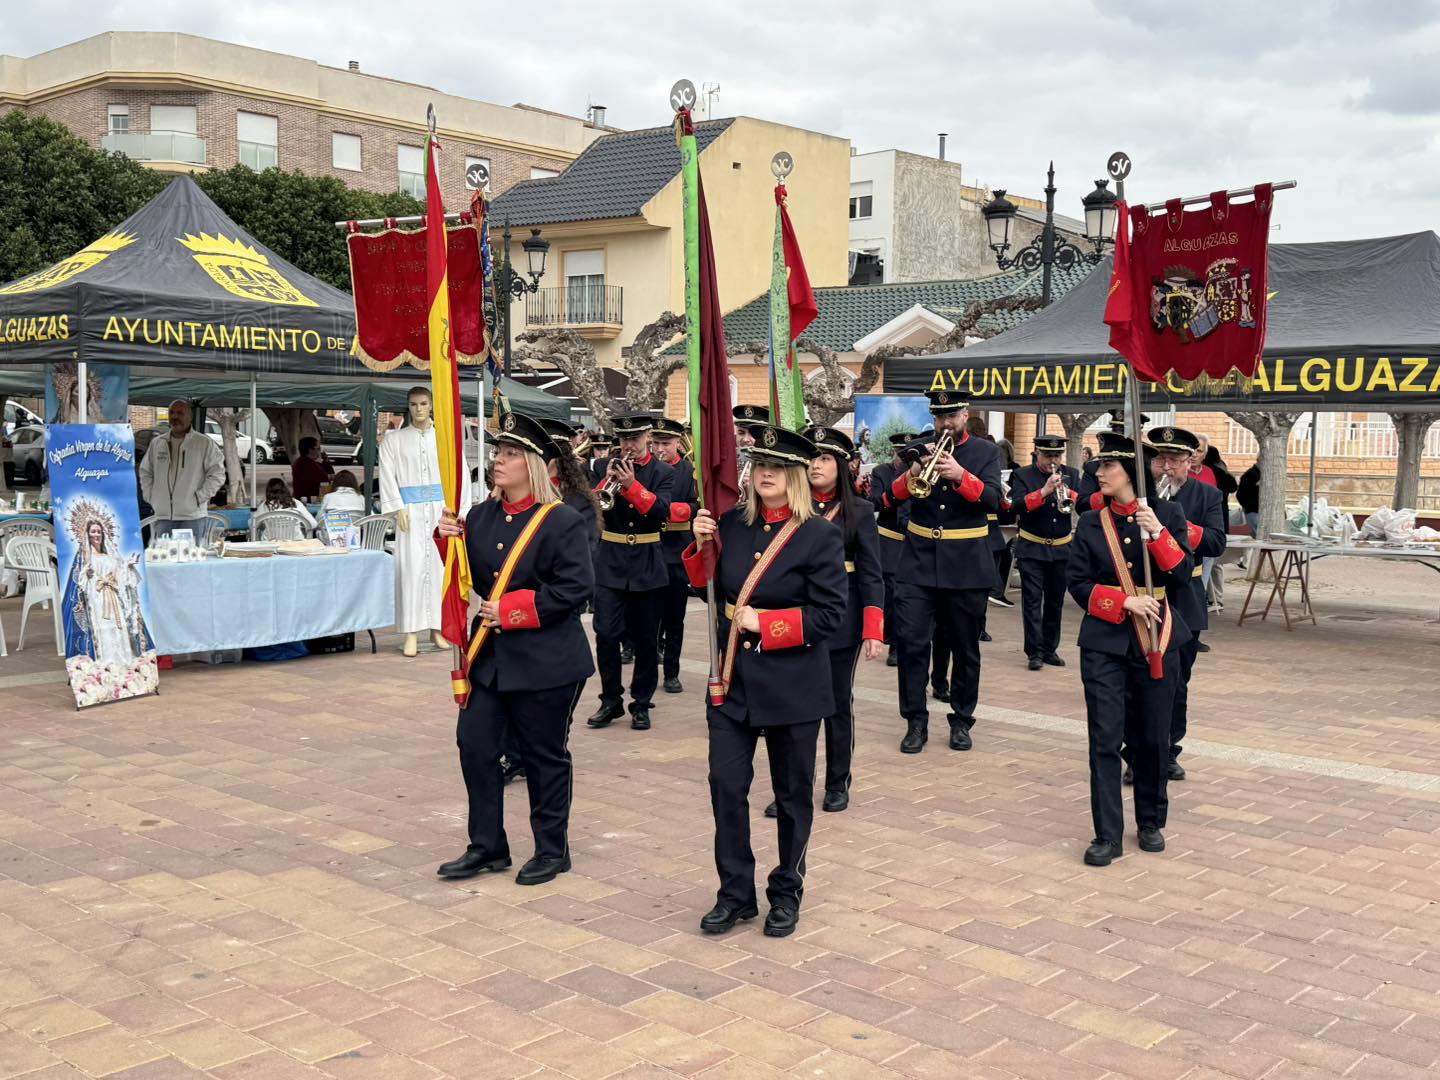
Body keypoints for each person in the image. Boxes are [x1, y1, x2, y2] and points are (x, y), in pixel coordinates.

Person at [684, 424, 846, 938]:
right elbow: (707, 590)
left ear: (797, 476)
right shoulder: (732, 524)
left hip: (793, 685)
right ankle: (735, 893)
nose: (765, 474)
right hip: (732, 680)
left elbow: (831, 614)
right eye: (759, 466)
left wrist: (768, 623)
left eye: (777, 467)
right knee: (726, 787)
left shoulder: (819, 534)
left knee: (793, 795)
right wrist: (700, 545)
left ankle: (786, 891)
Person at [433, 413, 595, 886]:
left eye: (509, 454)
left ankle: (552, 850)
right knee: (475, 746)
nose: (497, 461)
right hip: (491, 660)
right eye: (497, 453)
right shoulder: (480, 516)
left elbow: (576, 588)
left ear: (533, 465)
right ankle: (487, 846)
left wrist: (514, 610)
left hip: (548, 660)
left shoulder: (561, 520)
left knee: (544, 756)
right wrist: (445, 540)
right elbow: (464, 575)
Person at [1067, 431, 1193, 866]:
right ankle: (1107, 834)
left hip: (1157, 639)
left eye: (1109, 466)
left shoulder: (1167, 514)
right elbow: (1077, 583)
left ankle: (1151, 820)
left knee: (1153, 738)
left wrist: (1157, 533)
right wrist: (1122, 601)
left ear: (1131, 473)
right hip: (1104, 643)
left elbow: (1182, 576)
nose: (1099, 473)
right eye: (1100, 466)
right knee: (1104, 738)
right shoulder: (1091, 522)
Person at [762, 427, 883, 818]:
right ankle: (792, 788)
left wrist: (873, 628)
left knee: (835, 703)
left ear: (842, 466)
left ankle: (837, 782)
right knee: (792, 706)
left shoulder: (858, 510)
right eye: (812, 457)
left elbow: (872, 573)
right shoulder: (790, 505)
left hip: (840, 620)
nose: (816, 465)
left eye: (826, 458)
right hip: (795, 616)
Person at [883, 392, 1003, 754]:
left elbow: (995, 501)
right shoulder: (917, 449)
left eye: (951, 416)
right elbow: (888, 500)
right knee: (912, 645)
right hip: (918, 563)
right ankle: (915, 721)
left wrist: (961, 476)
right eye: (939, 417)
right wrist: (913, 472)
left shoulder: (985, 452)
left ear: (965, 414)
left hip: (966, 565)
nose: (945, 424)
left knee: (965, 648)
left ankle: (962, 720)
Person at [586, 413, 677, 732]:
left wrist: (631, 486)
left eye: (635, 438)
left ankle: (641, 703)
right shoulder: (601, 466)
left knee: (646, 638)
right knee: (606, 634)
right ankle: (610, 699)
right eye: (624, 439)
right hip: (610, 561)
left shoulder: (664, 472)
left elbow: (661, 513)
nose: (629, 445)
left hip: (647, 562)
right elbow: (593, 507)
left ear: (647, 437)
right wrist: (608, 481)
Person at [1148, 426, 1226, 780]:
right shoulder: (1138, 493)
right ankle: (1138, 752)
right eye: (1161, 459)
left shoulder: (1207, 494)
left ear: (1190, 463)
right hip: (1145, 593)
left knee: (1177, 681)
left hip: (1186, 596)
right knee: (1139, 678)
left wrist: (1177, 525)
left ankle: (1168, 750)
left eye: (1175, 460)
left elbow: (1216, 543)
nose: (1166, 467)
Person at [379, 388, 468, 656]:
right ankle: (411, 631)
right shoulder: (394, 440)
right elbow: (387, 474)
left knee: (438, 570)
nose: (418, 409)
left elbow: (460, 472)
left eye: (423, 404)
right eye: (413, 404)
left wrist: (459, 509)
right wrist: (397, 507)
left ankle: (437, 628)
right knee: (411, 569)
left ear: (431, 406)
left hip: (440, 512)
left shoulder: (445, 439)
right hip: (411, 513)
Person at [1008, 435, 1080, 671]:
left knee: (1055, 602)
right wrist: (1044, 491)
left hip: (1061, 548)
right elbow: (1015, 506)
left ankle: (1050, 649)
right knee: (1032, 602)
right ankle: (1034, 652)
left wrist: (1070, 495)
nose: (1053, 461)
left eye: (1057, 456)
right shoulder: (1022, 475)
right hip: (1032, 548)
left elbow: (1084, 503)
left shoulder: (1071, 474)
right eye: (1048, 455)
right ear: (1037, 453)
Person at [62, 509, 151, 663]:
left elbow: (120, 576)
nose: (96, 535)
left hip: (113, 596)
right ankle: (106, 661)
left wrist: (128, 566)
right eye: (93, 532)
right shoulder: (85, 557)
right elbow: (79, 581)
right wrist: (87, 574)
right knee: (101, 628)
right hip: (96, 598)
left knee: (118, 626)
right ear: (87, 534)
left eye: (99, 532)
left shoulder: (109, 556)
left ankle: (122, 660)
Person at [652, 417, 698, 695]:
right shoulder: (647, 469)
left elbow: (696, 506)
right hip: (649, 551)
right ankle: (647, 671)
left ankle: (671, 672)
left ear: (678, 443)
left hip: (676, 552)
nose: (660, 449)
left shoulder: (689, 470)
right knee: (648, 618)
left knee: (674, 619)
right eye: (656, 443)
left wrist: (661, 508)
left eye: (666, 443)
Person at [138, 400, 224, 537]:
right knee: (163, 552)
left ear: (190, 417)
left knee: (192, 552)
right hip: (163, 516)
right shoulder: (157, 443)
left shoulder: (203, 443)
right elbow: (145, 471)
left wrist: (199, 498)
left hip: (193, 517)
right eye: (171, 413)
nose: (174, 416)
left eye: (180, 413)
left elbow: (217, 474)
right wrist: (151, 496)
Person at [868, 431, 912, 667]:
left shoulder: (923, 472)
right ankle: (894, 645)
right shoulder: (882, 472)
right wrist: (899, 490)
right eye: (900, 453)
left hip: (916, 541)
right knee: (893, 597)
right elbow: (875, 502)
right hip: (890, 540)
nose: (903, 458)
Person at [291, 436, 335, 501]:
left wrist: (325, 461)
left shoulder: (310, 463)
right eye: (318, 448)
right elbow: (324, 479)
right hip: (309, 501)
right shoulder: (305, 464)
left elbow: (329, 473)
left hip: (312, 499)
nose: (319, 451)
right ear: (310, 450)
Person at [1238, 463, 1261, 537]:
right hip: (1253, 510)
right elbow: (1240, 495)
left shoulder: (1256, 474)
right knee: (1259, 535)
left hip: (1254, 510)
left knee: (1258, 535)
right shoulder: (1250, 475)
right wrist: (1248, 506)